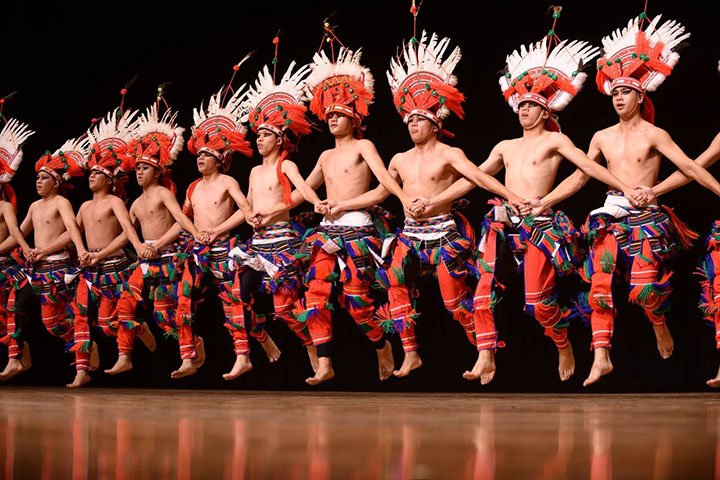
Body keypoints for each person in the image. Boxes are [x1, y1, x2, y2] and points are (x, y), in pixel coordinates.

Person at [417, 16, 646, 384]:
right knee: (482, 289)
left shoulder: (556, 142)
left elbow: (586, 169)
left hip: (540, 226)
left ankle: (561, 340)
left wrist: (624, 186)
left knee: (539, 305)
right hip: (504, 222)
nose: (522, 110)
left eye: (530, 105)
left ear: (545, 111)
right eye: (519, 105)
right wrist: (433, 201)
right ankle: (486, 356)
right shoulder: (505, 147)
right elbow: (475, 177)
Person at [551, 13, 720, 386]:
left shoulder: (655, 134)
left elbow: (690, 168)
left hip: (646, 219)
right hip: (611, 217)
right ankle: (601, 355)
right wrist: (543, 201)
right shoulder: (601, 137)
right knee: (599, 284)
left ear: (639, 96)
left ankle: (658, 322)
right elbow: (579, 178)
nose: (618, 99)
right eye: (613, 93)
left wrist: (660, 192)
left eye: (624, 92)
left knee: (644, 291)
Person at [379, 31, 528, 378]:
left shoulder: (450, 154)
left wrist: (511, 195)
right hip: (410, 234)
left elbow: (478, 178)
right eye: (409, 120)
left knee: (452, 303)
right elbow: (381, 190)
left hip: (444, 234)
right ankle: (411, 352)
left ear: (435, 123)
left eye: (419, 120)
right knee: (394, 281)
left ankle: (484, 351)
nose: (413, 124)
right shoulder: (399, 159)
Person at [280, 43, 414, 385]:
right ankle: (325, 363)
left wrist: (396, 199)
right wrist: (267, 208)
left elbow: (383, 186)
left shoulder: (363, 147)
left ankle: (381, 343)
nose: (332, 119)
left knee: (357, 302)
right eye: (328, 115)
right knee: (315, 295)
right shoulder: (325, 156)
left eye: (338, 114)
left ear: (353, 118)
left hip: (358, 232)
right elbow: (299, 194)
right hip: (326, 233)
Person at [211, 58, 325, 377]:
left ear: (278, 139)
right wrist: (231, 223)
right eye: (257, 135)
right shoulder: (253, 172)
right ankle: (250, 349)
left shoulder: (284, 166)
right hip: (257, 247)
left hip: (282, 246)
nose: (258, 139)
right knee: (235, 296)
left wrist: (278, 210)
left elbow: (302, 192)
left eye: (264, 135)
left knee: (284, 310)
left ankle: (310, 346)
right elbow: (246, 208)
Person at [185, 84, 280, 380]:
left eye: (206, 155)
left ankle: (247, 351)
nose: (200, 159)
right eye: (198, 155)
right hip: (200, 251)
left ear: (220, 159)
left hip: (224, 249)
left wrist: (216, 231)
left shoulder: (227, 182)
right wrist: (195, 233)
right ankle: (189, 352)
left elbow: (244, 209)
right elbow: (182, 219)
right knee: (181, 300)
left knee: (235, 301)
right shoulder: (192, 187)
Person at [107, 103, 207, 379]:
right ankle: (125, 354)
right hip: (146, 258)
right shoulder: (137, 203)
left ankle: (189, 355)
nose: (138, 172)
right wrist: (105, 252)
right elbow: (125, 233)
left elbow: (180, 220)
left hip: (169, 257)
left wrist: (191, 235)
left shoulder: (163, 193)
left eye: (144, 168)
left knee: (178, 312)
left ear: (157, 172)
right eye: (136, 168)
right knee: (127, 306)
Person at [16, 135, 94, 387]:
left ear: (56, 182)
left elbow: (72, 228)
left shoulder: (61, 202)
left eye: (44, 178)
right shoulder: (34, 207)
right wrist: (27, 247)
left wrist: (81, 250)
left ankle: (82, 367)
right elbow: (20, 231)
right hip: (38, 270)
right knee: (50, 323)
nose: (38, 181)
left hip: (60, 268)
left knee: (77, 315)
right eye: (37, 177)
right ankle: (84, 348)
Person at [0, 118, 34, 380]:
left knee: (12, 309)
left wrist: (26, 249)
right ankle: (20, 352)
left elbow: (17, 232)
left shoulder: (5, 207)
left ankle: (14, 357)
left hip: (6, 264)